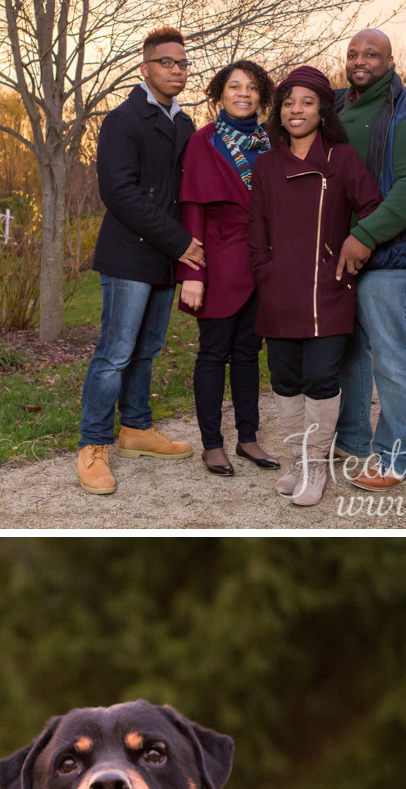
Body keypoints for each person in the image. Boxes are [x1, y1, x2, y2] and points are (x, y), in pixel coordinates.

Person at [77, 26, 205, 495]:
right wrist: (180, 242)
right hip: (130, 255)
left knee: (147, 349)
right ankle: (93, 445)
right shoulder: (122, 120)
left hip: (164, 259)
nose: (177, 70)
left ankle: (135, 428)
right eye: (167, 62)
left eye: (183, 63)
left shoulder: (184, 124)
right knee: (115, 352)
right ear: (145, 67)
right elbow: (119, 193)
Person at [247, 66, 382, 506]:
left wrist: (355, 245)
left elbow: (373, 207)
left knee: (321, 378)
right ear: (279, 112)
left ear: (323, 110)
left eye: (306, 102)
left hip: (328, 289)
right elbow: (256, 225)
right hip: (279, 288)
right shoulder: (267, 164)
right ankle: (298, 461)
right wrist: (264, 269)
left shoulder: (342, 159)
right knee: (285, 379)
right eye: (288, 102)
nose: (296, 109)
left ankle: (317, 466)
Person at [333, 28, 406, 490]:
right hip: (343, 253)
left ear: (390, 61)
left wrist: (365, 235)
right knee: (349, 353)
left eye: (371, 54)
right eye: (353, 54)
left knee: (392, 358)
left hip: (392, 255)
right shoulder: (336, 107)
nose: (360, 61)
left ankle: (397, 458)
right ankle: (352, 440)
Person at [176, 59, 279, 476]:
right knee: (213, 354)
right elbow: (193, 210)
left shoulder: (271, 143)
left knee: (249, 355)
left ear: (262, 96)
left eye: (251, 87)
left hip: (262, 267)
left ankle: (248, 438)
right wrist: (192, 275)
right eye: (235, 86)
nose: (243, 94)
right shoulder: (204, 142)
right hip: (218, 265)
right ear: (220, 93)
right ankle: (212, 444)